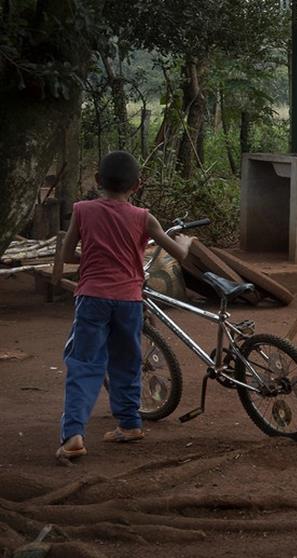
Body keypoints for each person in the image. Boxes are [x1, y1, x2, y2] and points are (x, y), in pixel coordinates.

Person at [56, 151, 193, 464]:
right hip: (129, 301)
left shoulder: (82, 210)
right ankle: (130, 424)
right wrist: (186, 243)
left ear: (98, 181)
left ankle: (74, 435)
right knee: (127, 361)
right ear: (138, 185)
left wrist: (92, 259)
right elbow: (179, 254)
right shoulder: (144, 217)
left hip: (91, 298)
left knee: (85, 363)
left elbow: (68, 256)